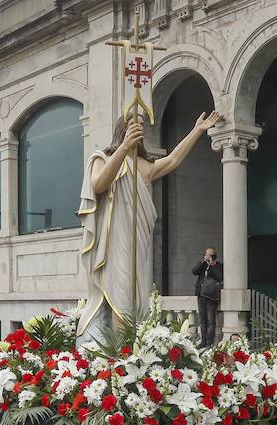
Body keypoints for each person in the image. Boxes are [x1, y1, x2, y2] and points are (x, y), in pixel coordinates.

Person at [78, 110, 222, 341]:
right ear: (121, 128)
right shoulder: (102, 158)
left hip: (139, 243)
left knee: (137, 297)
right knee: (120, 295)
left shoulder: (145, 165)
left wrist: (197, 130)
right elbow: (98, 184)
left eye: (142, 124)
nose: (139, 127)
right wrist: (124, 148)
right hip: (116, 240)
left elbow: (174, 159)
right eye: (134, 123)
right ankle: (120, 352)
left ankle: (132, 351)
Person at [191, 247, 224, 347]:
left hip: (211, 296)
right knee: (202, 320)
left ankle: (209, 342)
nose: (208, 256)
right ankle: (203, 341)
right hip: (201, 295)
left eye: (210, 255)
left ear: (214, 256)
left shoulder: (218, 266)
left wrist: (212, 265)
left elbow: (220, 277)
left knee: (210, 320)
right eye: (206, 254)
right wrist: (202, 262)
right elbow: (194, 271)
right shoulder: (203, 265)